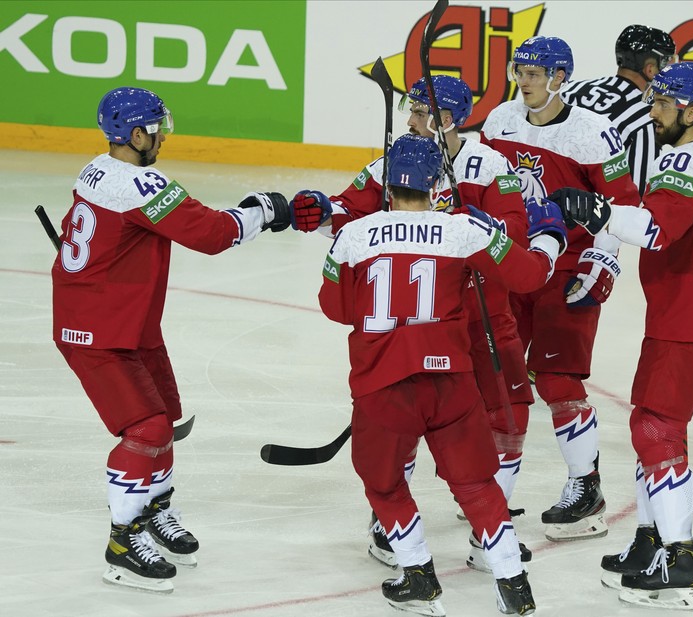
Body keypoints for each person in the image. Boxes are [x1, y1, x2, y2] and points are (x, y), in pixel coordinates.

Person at [292, 75, 536, 572]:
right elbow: (348, 210)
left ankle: (485, 533)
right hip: (413, 320)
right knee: (398, 422)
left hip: (482, 318)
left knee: (507, 418)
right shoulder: (394, 162)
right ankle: (391, 526)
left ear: (446, 118)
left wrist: (473, 226)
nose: (409, 120)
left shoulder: (490, 165)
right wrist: (320, 211)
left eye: (420, 111)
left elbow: (513, 230)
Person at [52, 86, 291, 593]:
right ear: (136, 134)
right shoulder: (140, 185)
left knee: (165, 416)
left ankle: (152, 510)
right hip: (98, 331)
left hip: (129, 322)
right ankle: (121, 542)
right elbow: (210, 234)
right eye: (156, 128)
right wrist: (264, 212)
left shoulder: (98, 167)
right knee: (147, 429)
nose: (162, 136)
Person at [552, 61, 693, 610]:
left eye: (664, 103)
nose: (653, 111)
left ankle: (679, 562)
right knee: (654, 420)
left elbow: (654, 230)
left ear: (692, 110)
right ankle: (651, 540)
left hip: (690, 315)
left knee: (656, 427)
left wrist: (598, 211)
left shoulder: (682, 161)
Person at [318, 133, 567, 616]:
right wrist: (550, 237)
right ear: (436, 184)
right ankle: (513, 584)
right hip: (451, 383)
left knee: (384, 484)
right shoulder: (463, 230)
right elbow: (531, 276)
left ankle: (418, 574)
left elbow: (336, 308)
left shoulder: (352, 236)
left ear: (388, 183)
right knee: (476, 484)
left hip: (382, 385)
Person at [481, 36, 641, 542]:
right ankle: (493, 488)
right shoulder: (499, 121)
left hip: (568, 267)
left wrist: (602, 259)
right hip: (513, 263)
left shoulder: (594, 133)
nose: (524, 82)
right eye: (520, 71)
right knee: (500, 377)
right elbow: (481, 188)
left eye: (534, 73)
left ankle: (585, 486)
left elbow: (623, 205)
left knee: (556, 379)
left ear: (559, 77)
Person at [562, 25, 676, 197]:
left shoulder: (570, 88)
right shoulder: (646, 118)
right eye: (668, 63)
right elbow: (634, 202)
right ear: (651, 70)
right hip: (582, 215)